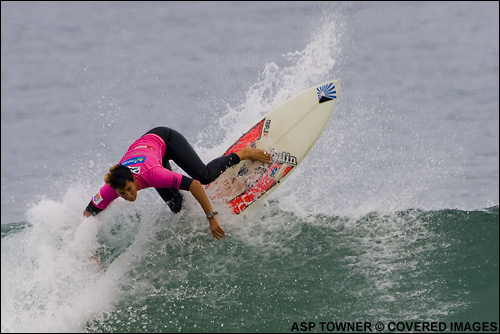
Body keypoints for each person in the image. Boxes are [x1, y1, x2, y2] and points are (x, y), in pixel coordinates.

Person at [83, 126, 272, 239]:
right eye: (122, 194)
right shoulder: (113, 187)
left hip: (165, 139)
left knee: (204, 176)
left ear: (133, 179)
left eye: (129, 190)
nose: (128, 196)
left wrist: (211, 217)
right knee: (178, 208)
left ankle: (243, 154)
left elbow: (195, 185)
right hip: (149, 152)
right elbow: (90, 211)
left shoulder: (153, 174)